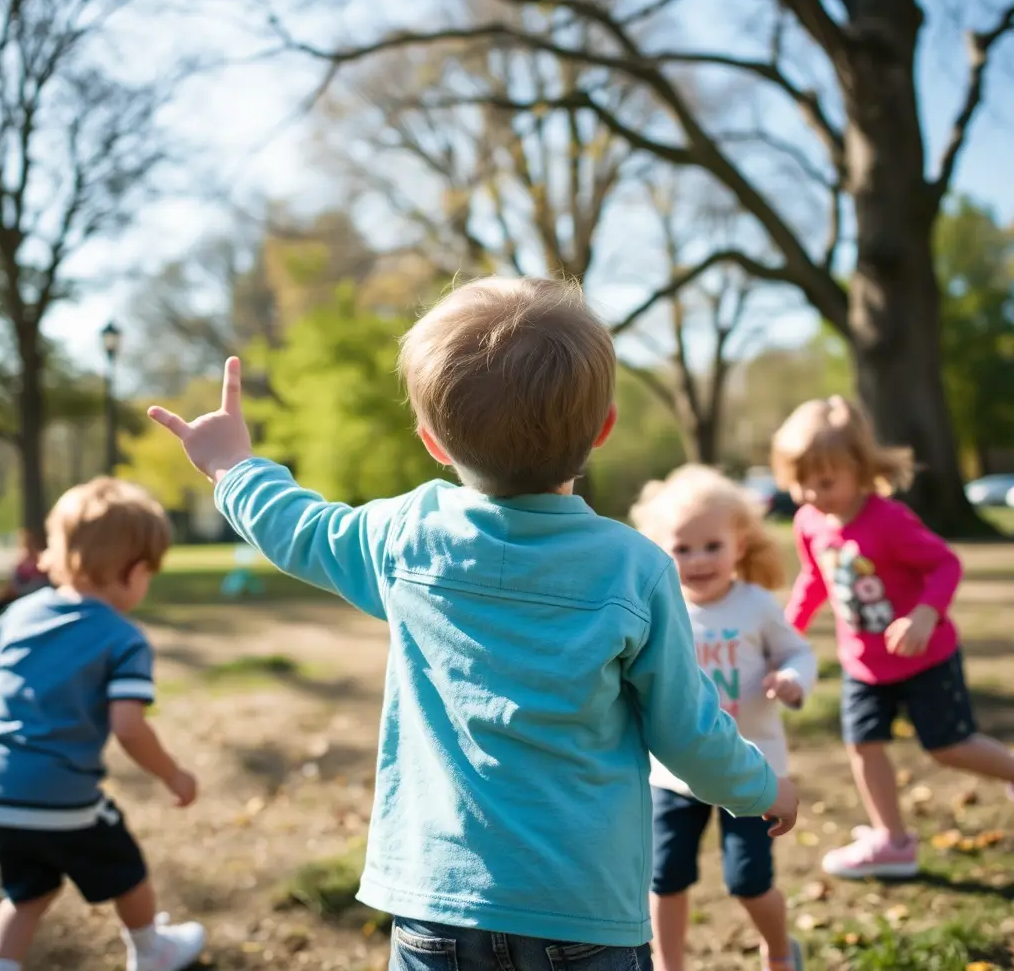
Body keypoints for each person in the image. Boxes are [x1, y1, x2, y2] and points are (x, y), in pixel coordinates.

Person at [149, 276, 798, 971]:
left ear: (432, 441)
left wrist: (232, 467)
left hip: (437, 904)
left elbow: (300, 529)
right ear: (603, 429)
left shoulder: (408, 535)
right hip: (583, 910)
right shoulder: (633, 568)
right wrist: (760, 785)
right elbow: (686, 731)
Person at [773, 396, 1014, 880]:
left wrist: (926, 615)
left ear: (860, 469)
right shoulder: (809, 523)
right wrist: (784, 634)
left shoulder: (889, 520)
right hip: (864, 665)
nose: (813, 494)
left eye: (826, 481)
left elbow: (946, 563)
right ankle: (892, 840)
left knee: (947, 746)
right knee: (862, 746)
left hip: (925, 658)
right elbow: (815, 580)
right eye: (801, 482)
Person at [0, 478, 206, 971]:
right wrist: (173, 775)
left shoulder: (15, 616)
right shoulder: (122, 638)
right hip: (62, 796)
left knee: (27, 894)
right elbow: (129, 726)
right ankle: (151, 950)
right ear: (132, 572)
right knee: (128, 875)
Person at [630, 465, 815, 971]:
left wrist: (793, 680)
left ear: (740, 542)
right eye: (682, 548)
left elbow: (800, 654)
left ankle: (779, 949)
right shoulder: (657, 610)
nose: (697, 560)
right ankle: (669, 965)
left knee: (749, 881)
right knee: (664, 879)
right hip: (673, 775)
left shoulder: (756, 605)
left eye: (712, 545)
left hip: (753, 769)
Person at [0, 530, 49, 616]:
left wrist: (17, 590)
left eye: (28, 547)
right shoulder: (20, 567)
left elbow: (42, 586)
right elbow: (14, 583)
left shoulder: (41, 566)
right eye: (21, 548)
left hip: (30, 598)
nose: (24, 552)